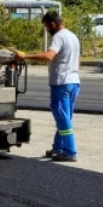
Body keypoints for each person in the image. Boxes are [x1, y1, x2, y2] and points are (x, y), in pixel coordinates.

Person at [15, 11, 81, 162]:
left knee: (62, 118)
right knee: (65, 117)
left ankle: (70, 152)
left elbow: (48, 56)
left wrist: (25, 56)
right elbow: (78, 61)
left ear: (53, 23)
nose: (46, 30)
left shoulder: (59, 37)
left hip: (61, 83)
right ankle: (58, 148)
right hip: (74, 82)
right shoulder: (73, 36)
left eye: (46, 26)